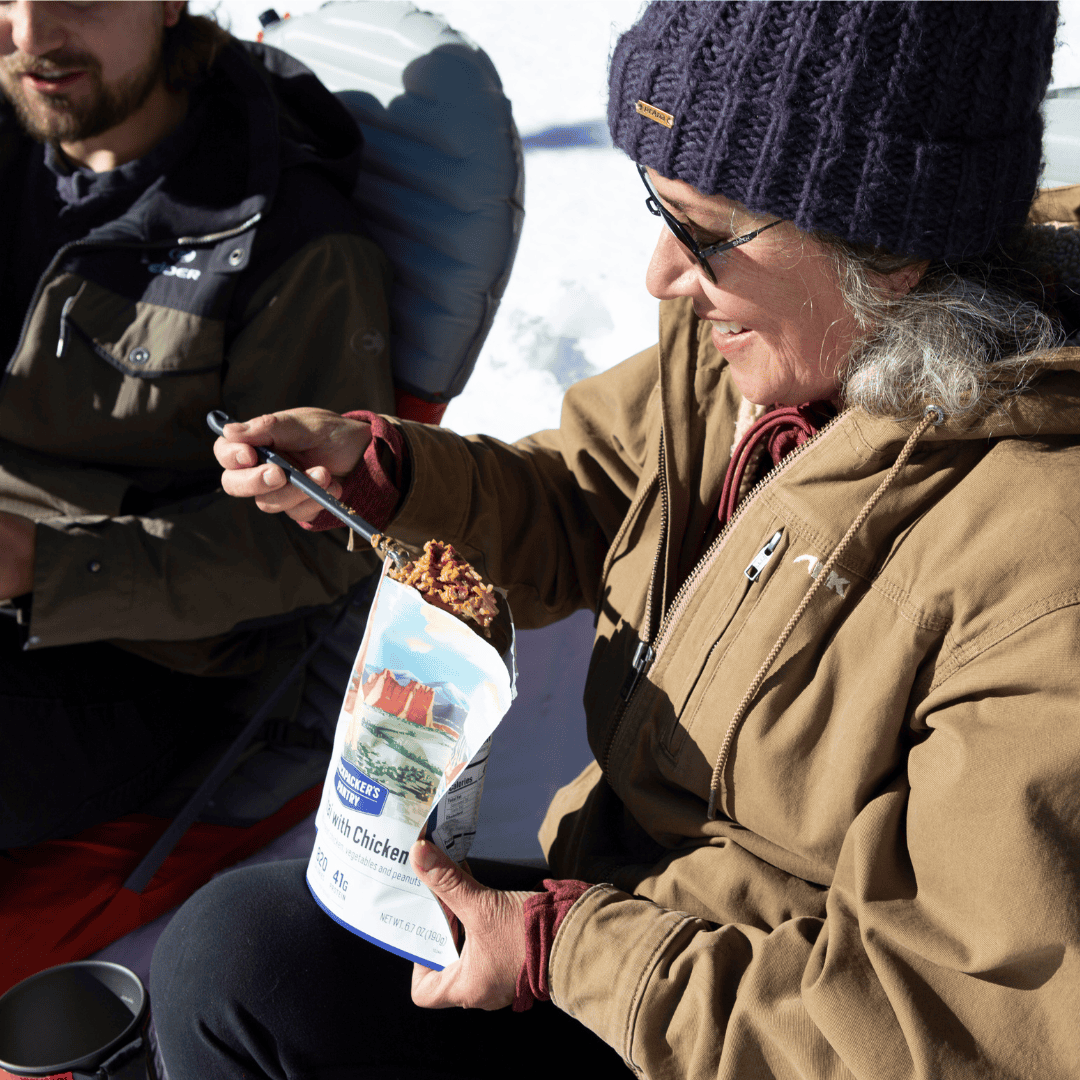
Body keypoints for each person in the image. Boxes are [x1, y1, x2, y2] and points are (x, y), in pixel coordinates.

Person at [153, 2, 1080, 1077]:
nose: (659, 274)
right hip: (629, 907)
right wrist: (397, 478)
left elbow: (960, 1021)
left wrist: (573, 953)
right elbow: (596, 493)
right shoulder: (774, 340)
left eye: (705, 229)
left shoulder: (1039, 567)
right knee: (249, 959)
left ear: (894, 244)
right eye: (660, 207)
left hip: (758, 1017)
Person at [0, 2, 392, 847]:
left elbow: (316, 541)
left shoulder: (288, 241)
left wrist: (45, 564)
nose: (29, 36)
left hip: (133, 657)